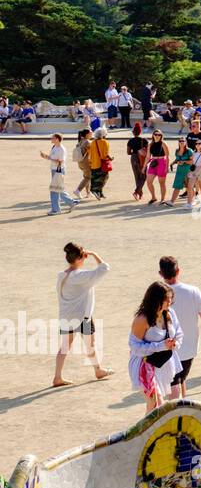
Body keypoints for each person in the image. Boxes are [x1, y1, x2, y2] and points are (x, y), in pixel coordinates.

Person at [53, 243, 112, 386]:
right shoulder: (81, 276)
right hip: (82, 316)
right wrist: (93, 254)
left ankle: (57, 377)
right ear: (80, 258)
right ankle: (98, 370)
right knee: (90, 344)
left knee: (65, 346)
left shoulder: (62, 275)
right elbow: (105, 268)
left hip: (66, 316)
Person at [159, 256, 201, 400]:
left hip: (165, 348)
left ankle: (177, 413)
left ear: (160, 273)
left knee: (174, 383)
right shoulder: (193, 291)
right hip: (189, 348)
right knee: (181, 379)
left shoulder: (158, 293)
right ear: (178, 271)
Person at [128, 282, 181, 414]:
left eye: (170, 298)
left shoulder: (169, 313)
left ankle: (149, 433)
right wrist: (161, 346)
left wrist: (175, 344)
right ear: (156, 299)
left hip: (164, 364)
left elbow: (179, 333)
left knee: (159, 407)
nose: (170, 302)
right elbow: (134, 348)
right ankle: (145, 434)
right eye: (166, 299)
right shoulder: (142, 320)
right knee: (156, 406)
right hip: (145, 366)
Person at [40, 135, 80, 215]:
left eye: (53, 138)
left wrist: (50, 158)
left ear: (57, 139)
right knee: (59, 188)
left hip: (58, 170)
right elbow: (53, 158)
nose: (51, 139)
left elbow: (60, 161)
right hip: (55, 169)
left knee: (54, 190)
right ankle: (72, 202)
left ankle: (56, 210)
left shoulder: (61, 149)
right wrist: (46, 157)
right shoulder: (54, 147)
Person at [85, 127, 112, 199]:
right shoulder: (105, 142)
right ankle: (96, 191)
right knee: (104, 177)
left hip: (93, 163)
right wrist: (110, 158)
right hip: (101, 164)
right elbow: (104, 155)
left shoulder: (92, 142)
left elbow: (89, 151)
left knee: (95, 178)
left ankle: (99, 192)